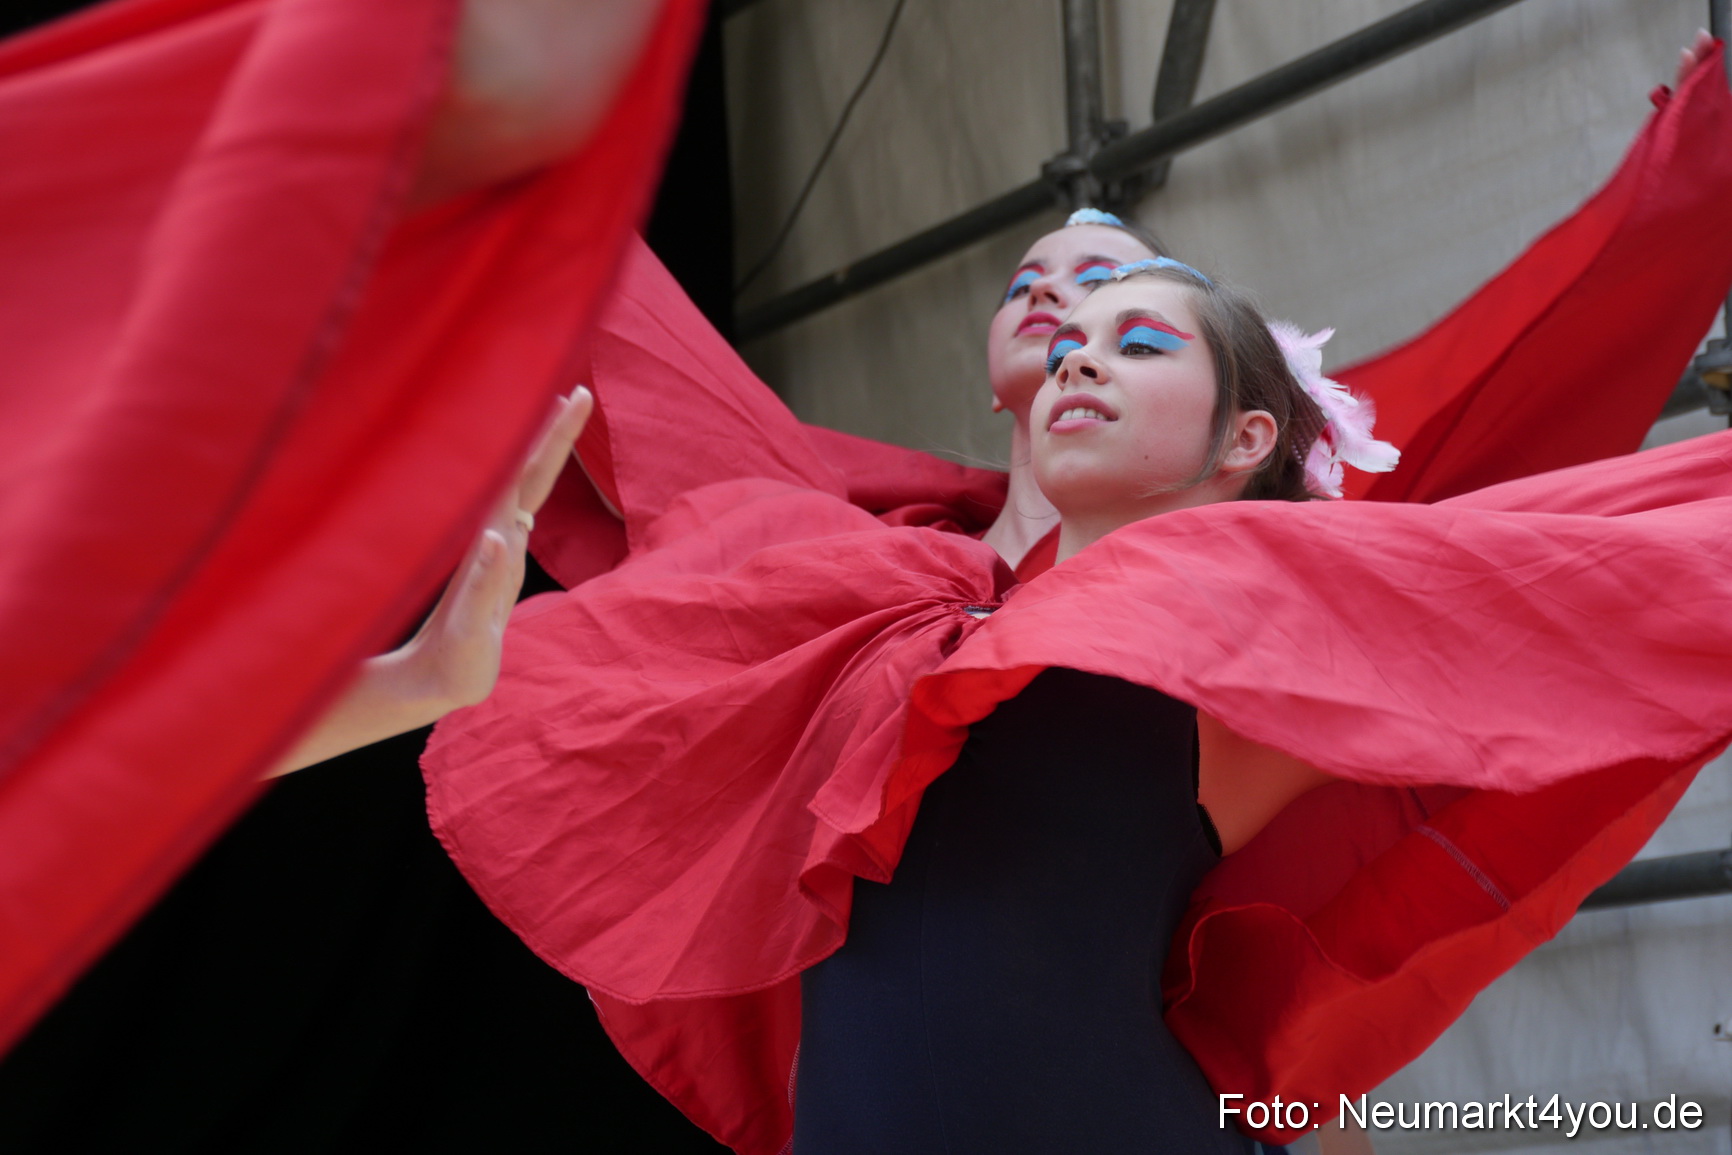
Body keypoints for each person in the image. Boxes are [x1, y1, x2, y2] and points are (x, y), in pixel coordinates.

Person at [419, 250, 1732, 1153]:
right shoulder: (896, 601)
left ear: (1245, 441)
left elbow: (1584, 578)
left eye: (1140, 341)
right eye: (1068, 342)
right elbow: (680, 414)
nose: (1078, 358)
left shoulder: (1264, 625)